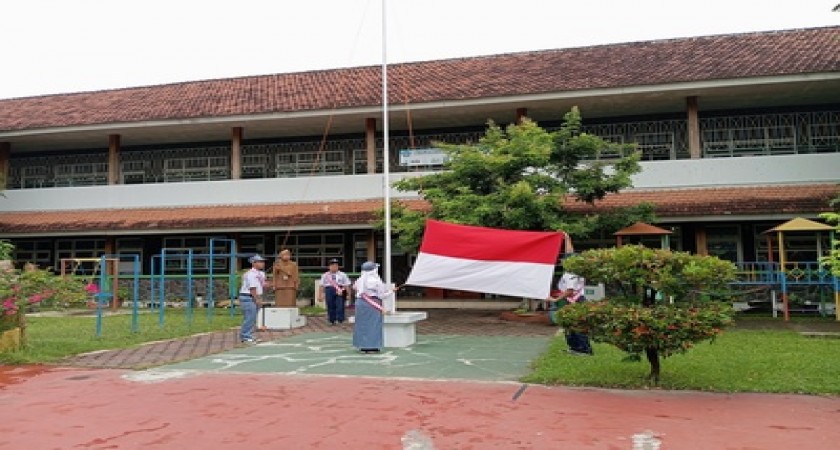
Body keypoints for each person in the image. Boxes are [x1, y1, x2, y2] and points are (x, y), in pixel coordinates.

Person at [548, 269, 593, 356]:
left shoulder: (570, 275)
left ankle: (584, 349)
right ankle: (575, 348)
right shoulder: (578, 273)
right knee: (571, 325)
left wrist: (556, 299)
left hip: (573, 300)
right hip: (576, 300)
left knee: (576, 325)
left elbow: (570, 291)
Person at [352, 261, 390, 353]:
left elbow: (355, 288)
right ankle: (373, 346)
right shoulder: (376, 281)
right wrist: (391, 292)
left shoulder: (359, 280)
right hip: (373, 303)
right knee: (374, 324)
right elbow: (381, 295)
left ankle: (362, 345)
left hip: (361, 303)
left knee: (362, 325)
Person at [239, 254, 267, 344]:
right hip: (248, 297)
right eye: (260, 262)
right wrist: (257, 299)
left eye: (263, 262)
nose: (262, 263)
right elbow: (252, 288)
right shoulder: (250, 274)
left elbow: (263, 285)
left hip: (255, 296)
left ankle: (249, 335)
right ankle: (245, 336)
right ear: (254, 263)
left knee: (253, 317)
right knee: (249, 318)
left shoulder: (261, 274)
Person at [319, 258, 351, 325]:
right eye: (332, 265)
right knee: (330, 305)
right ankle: (332, 320)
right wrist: (320, 295)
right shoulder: (325, 275)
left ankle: (340, 320)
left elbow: (347, 285)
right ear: (329, 266)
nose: (334, 267)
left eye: (336, 265)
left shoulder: (343, 274)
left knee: (340, 305)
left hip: (340, 290)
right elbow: (321, 286)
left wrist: (348, 294)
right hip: (329, 290)